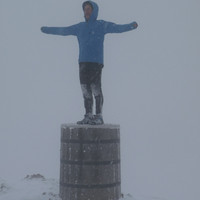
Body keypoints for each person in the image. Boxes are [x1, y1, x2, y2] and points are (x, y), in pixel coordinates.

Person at [41, 1, 138, 125]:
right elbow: (64, 30)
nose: (86, 11)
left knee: (96, 89)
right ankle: (88, 115)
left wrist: (131, 25)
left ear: (94, 11)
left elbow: (118, 28)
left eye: (89, 9)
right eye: (85, 9)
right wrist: (47, 30)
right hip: (83, 63)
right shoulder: (80, 27)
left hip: (96, 63)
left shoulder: (101, 25)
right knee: (85, 90)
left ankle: (99, 116)